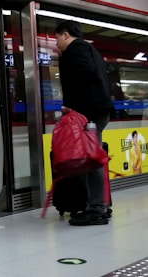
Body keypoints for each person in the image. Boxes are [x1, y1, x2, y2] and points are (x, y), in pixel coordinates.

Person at [54, 20, 114, 226]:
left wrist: (72, 106)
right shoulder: (91, 49)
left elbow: (85, 74)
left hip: (90, 113)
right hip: (96, 111)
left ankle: (97, 209)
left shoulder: (76, 49)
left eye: (56, 38)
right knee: (92, 157)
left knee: (92, 159)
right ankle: (100, 205)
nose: (56, 44)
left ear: (65, 35)